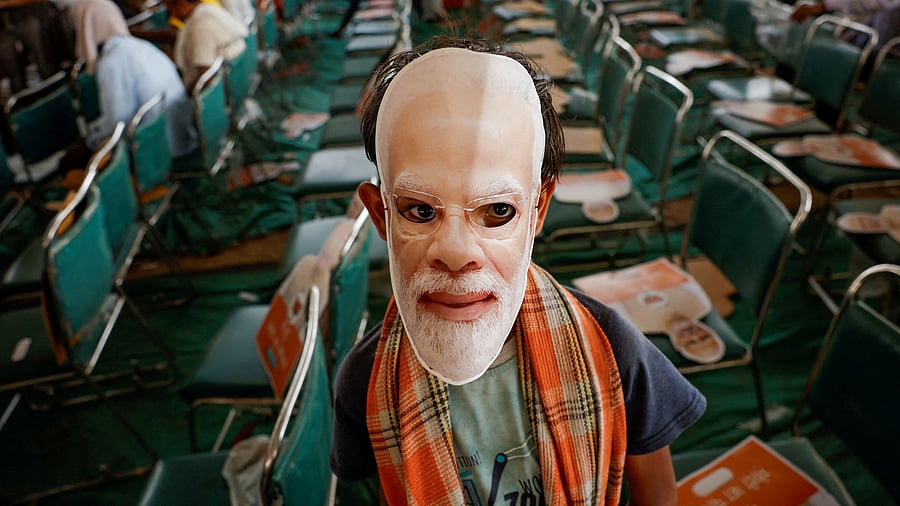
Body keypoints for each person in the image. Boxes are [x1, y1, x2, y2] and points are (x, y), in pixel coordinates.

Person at [330, 36, 706, 505]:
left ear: (537, 210)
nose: (457, 252)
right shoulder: (364, 382)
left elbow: (656, 491)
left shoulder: (612, 348)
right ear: (381, 215)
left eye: (498, 212)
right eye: (420, 211)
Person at [72, 0, 196, 157]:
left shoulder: (112, 63)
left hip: (160, 153)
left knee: (74, 162)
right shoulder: (141, 46)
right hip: (183, 137)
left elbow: (116, 125)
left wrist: (90, 144)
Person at [164, 0, 248, 90]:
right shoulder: (210, 9)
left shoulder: (199, 26)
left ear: (182, 3)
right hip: (237, 81)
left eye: (170, 8)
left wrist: (184, 95)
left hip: (222, 91)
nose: (172, 14)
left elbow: (205, 79)